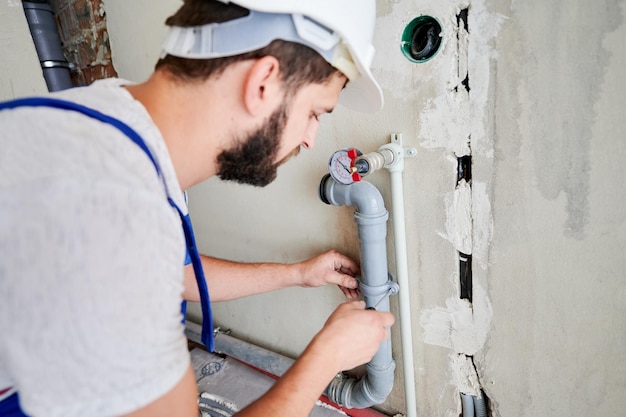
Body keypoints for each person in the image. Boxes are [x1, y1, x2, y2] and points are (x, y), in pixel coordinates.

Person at [0, 0, 395, 416]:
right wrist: (325, 360)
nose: (311, 138)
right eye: (315, 112)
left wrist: (298, 274)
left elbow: (175, 273)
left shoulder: (113, 129)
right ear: (264, 82)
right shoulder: (109, 212)